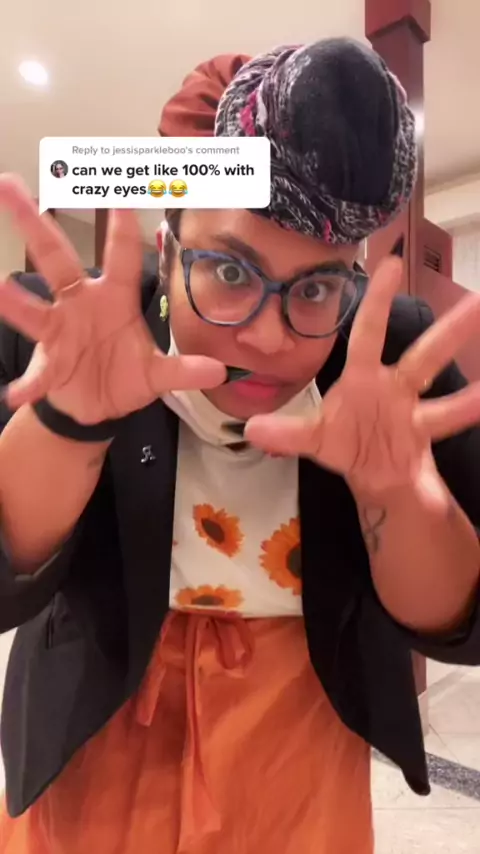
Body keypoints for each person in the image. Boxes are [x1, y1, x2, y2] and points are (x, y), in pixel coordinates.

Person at [0, 37, 480, 854]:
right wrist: (67, 423)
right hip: (96, 726)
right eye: (228, 271)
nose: (266, 336)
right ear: (167, 251)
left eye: (317, 287)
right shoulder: (71, 331)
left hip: (302, 738)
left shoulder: (389, 356)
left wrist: (396, 494)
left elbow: (460, 626)